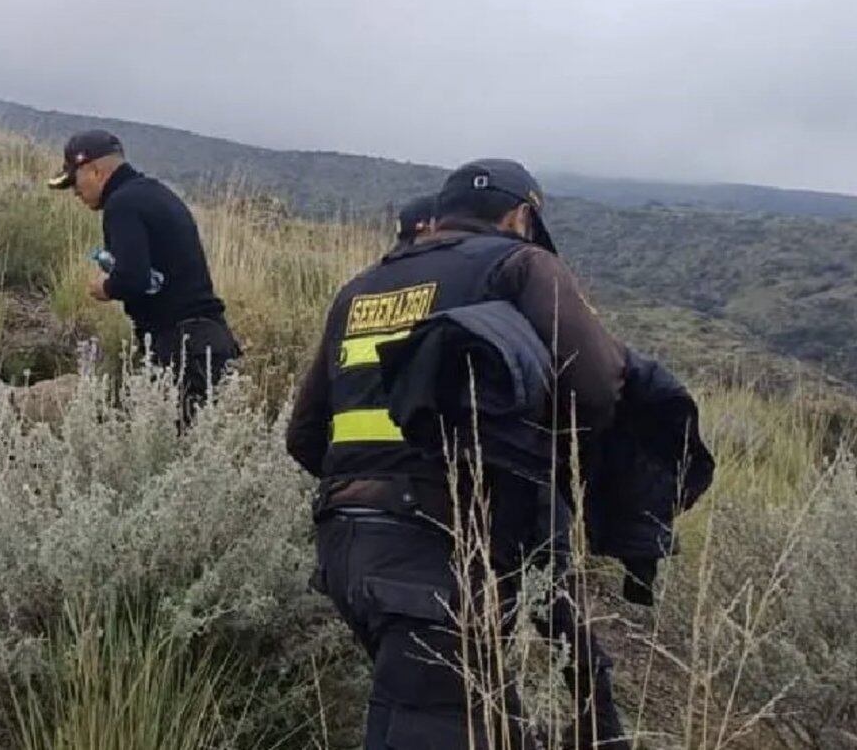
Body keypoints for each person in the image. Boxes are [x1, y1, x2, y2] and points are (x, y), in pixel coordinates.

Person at [286, 159, 631, 749]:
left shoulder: (360, 288)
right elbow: (596, 387)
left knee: (474, 720)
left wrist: (380, 484)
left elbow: (304, 435)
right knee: (443, 724)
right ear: (520, 217)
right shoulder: (521, 265)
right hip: (440, 555)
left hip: (349, 548)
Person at [48, 129, 240, 423]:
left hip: (182, 348)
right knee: (201, 441)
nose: (74, 191)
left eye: (75, 180)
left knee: (175, 444)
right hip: (209, 341)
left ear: (95, 171)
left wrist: (105, 287)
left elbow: (133, 279)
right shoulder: (155, 193)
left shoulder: (121, 204)